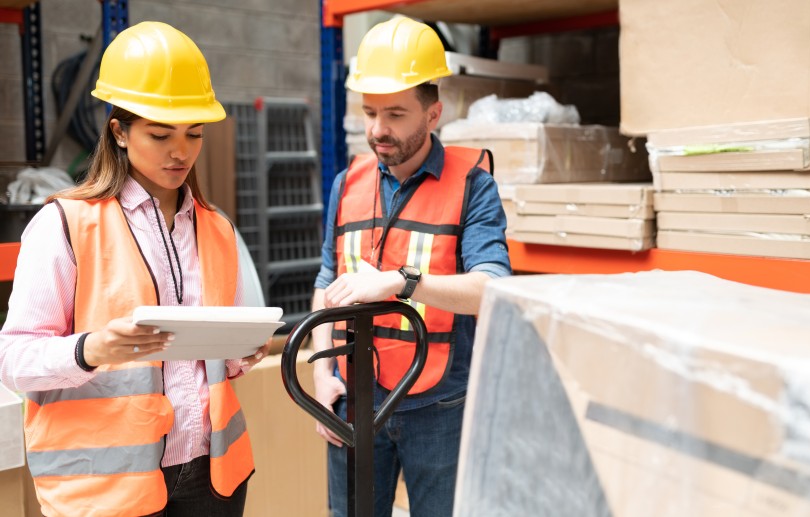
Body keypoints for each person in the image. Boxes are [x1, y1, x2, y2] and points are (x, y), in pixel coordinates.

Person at [0, 21, 267, 517]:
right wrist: (92, 349)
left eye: (194, 134)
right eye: (161, 134)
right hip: (108, 490)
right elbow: (13, 358)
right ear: (119, 132)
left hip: (214, 479)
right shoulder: (65, 225)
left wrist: (238, 355)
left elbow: (217, 362)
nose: (181, 151)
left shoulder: (217, 229)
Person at [311, 16, 511, 517]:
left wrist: (403, 283)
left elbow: (492, 289)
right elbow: (325, 282)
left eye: (396, 113)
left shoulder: (472, 184)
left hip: (438, 406)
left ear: (434, 112)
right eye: (370, 112)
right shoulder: (347, 182)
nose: (378, 129)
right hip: (355, 397)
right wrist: (321, 376)